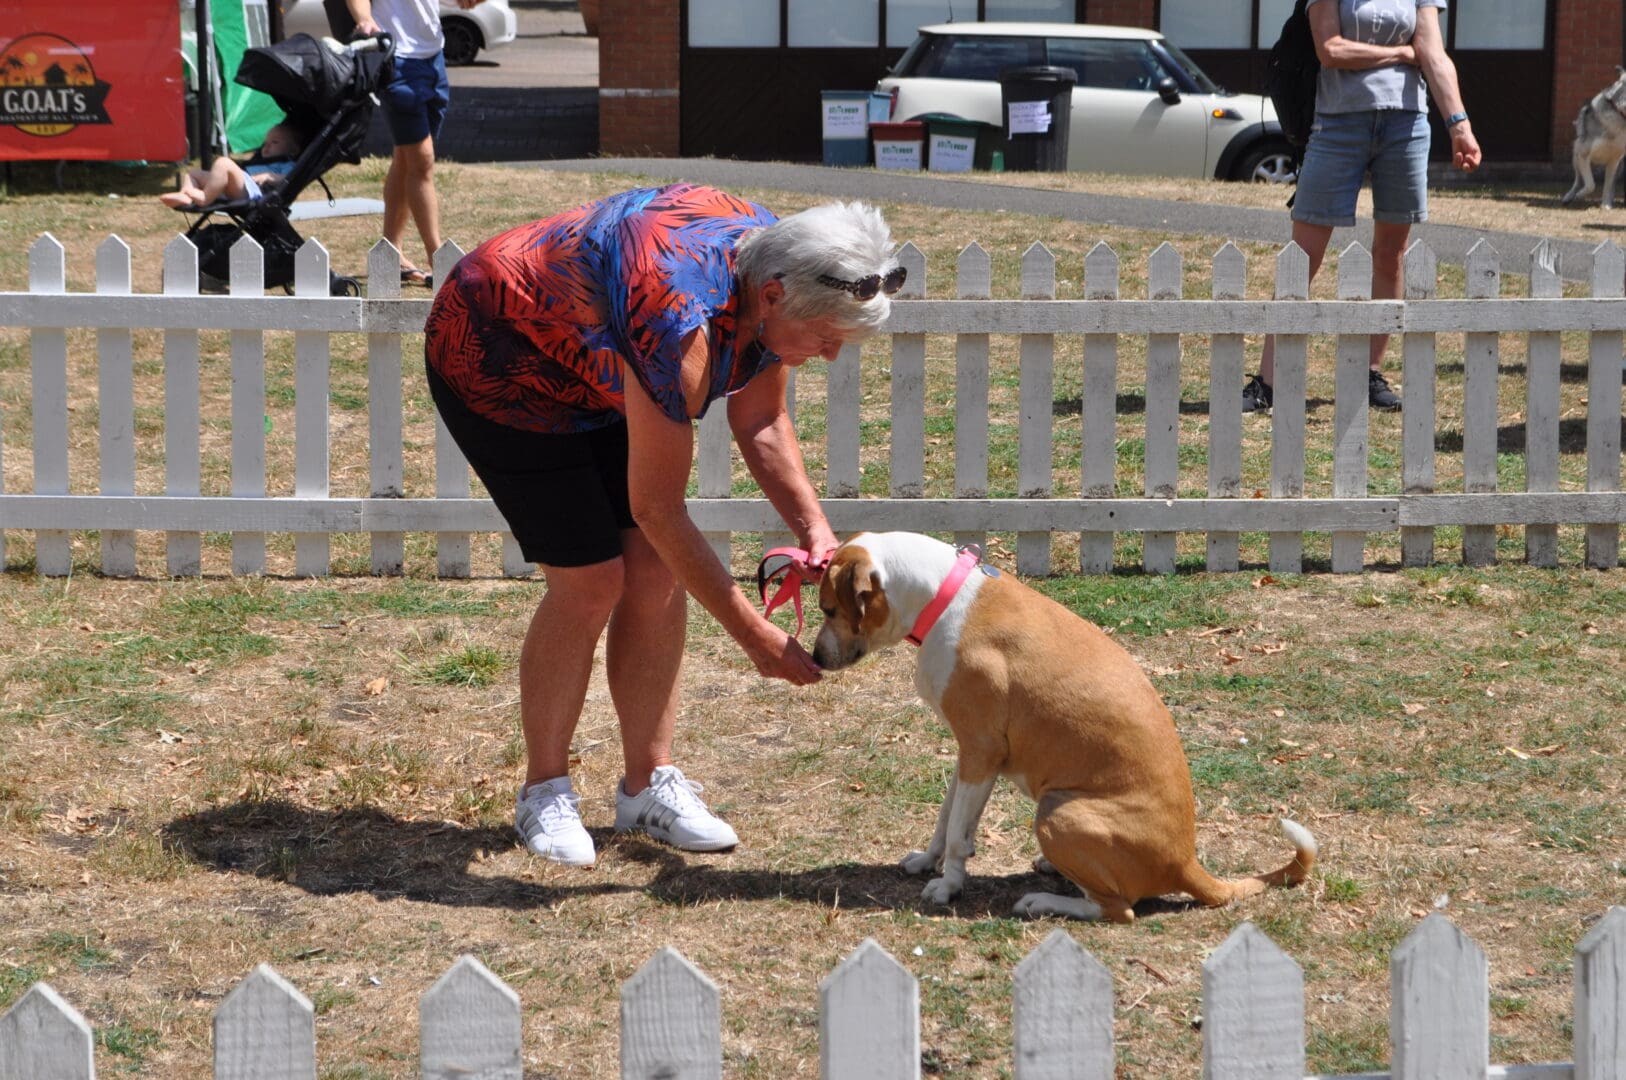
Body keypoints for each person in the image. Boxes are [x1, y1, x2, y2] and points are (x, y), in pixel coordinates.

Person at [423, 184, 902, 866]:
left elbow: (761, 418)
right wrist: (753, 636)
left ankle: (648, 785)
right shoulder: (677, 321)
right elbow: (658, 508)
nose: (830, 355)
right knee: (591, 580)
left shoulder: (779, 264)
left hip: (602, 364)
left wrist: (816, 533)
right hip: (501, 357)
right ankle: (544, 792)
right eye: (826, 338)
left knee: (652, 571)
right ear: (771, 299)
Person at [1242, 0, 1481, 414]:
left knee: (1391, 255)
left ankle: (1369, 373)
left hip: (1406, 124)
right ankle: (1268, 381)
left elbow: (1435, 55)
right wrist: (1405, 53)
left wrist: (1460, 125)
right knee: (1303, 256)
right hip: (1336, 124)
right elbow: (1331, 50)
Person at [345, 0, 483, 287]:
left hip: (433, 57)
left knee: (406, 159)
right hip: (396, 58)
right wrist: (364, 19)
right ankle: (439, 260)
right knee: (421, 161)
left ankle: (391, 251)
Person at [159, 122, 304, 209]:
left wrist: (269, 176)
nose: (266, 147)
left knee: (224, 163)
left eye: (275, 142)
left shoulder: (287, 164)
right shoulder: (263, 160)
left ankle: (204, 198)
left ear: (293, 150)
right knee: (193, 174)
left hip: (253, 193)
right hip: (240, 184)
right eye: (265, 143)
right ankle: (185, 195)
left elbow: (291, 178)